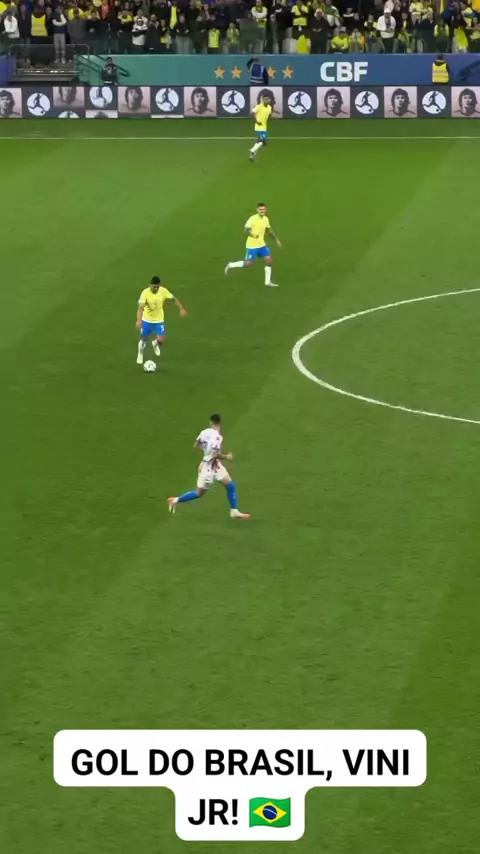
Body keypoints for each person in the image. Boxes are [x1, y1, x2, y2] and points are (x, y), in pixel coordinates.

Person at [168, 414, 250, 520]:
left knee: (230, 485)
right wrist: (227, 457)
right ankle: (175, 500)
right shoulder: (218, 438)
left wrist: (207, 452)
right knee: (199, 493)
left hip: (215, 465)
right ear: (220, 423)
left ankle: (234, 511)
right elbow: (215, 454)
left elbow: (196, 445)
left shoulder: (204, 432)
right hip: (208, 468)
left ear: (210, 422)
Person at [225, 202, 282, 288]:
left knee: (269, 260)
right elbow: (246, 230)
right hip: (252, 245)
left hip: (262, 244)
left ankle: (267, 282)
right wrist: (252, 235)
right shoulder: (252, 219)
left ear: (266, 210)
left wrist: (276, 240)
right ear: (257, 210)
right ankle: (231, 265)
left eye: (263, 209)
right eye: (260, 209)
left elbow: (268, 231)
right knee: (249, 263)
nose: (262, 211)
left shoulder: (266, 219)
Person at [136, 276, 187, 366]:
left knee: (161, 339)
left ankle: (155, 344)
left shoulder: (163, 291)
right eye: (154, 287)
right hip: (147, 320)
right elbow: (140, 308)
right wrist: (139, 320)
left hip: (159, 320)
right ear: (150, 285)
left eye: (157, 287)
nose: (156, 289)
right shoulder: (145, 293)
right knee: (144, 339)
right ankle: (140, 354)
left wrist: (181, 308)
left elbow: (173, 299)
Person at [249, 94, 271, 162]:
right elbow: (252, 113)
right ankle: (252, 151)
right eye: (265, 99)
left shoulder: (269, 107)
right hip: (259, 127)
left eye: (268, 99)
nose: (267, 100)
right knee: (263, 141)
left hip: (264, 127)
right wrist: (257, 122)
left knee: (261, 141)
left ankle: (252, 154)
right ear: (263, 100)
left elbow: (268, 115)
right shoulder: (259, 107)